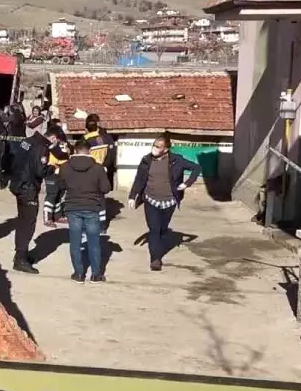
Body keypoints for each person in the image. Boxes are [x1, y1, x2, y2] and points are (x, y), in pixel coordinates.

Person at [128, 134, 202, 271]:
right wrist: (132, 196)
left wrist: (187, 184)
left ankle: (161, 237)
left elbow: (196, 168)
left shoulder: (177, 161)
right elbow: (139, 179)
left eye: (158, 147)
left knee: (162, 229)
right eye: (154, 145)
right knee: (154, 230)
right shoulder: (146, 161)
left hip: (169, 202)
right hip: (150, 200)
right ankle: (155, 259)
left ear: (166, 149)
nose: (154, 149)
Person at [48, 137, 112, 282]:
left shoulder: (65, 167)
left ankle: (78, 273)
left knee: (75, 241)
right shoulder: (98, 168)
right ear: (89, 151)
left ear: (75, 151)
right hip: (92, 206)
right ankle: (96, 274)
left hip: (72, 207)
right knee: (94, 242)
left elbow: (60, 186)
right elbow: (106, 189)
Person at [8, 123, 53, 274]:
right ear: (54, 137)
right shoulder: (42, 147)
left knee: (21, 221)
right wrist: (53, 168)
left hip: (18, 184)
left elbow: (14, 162)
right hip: (29, 189)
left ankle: (22, 254)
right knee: (28, 224)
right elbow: (40, 171)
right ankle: (20, 258)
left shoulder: (27, 141)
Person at [83, 113, 117, 188]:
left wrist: (105, 166)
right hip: (100, 169)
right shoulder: (105, 136)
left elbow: (111, 153)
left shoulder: (104, 136)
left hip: (98, 169)